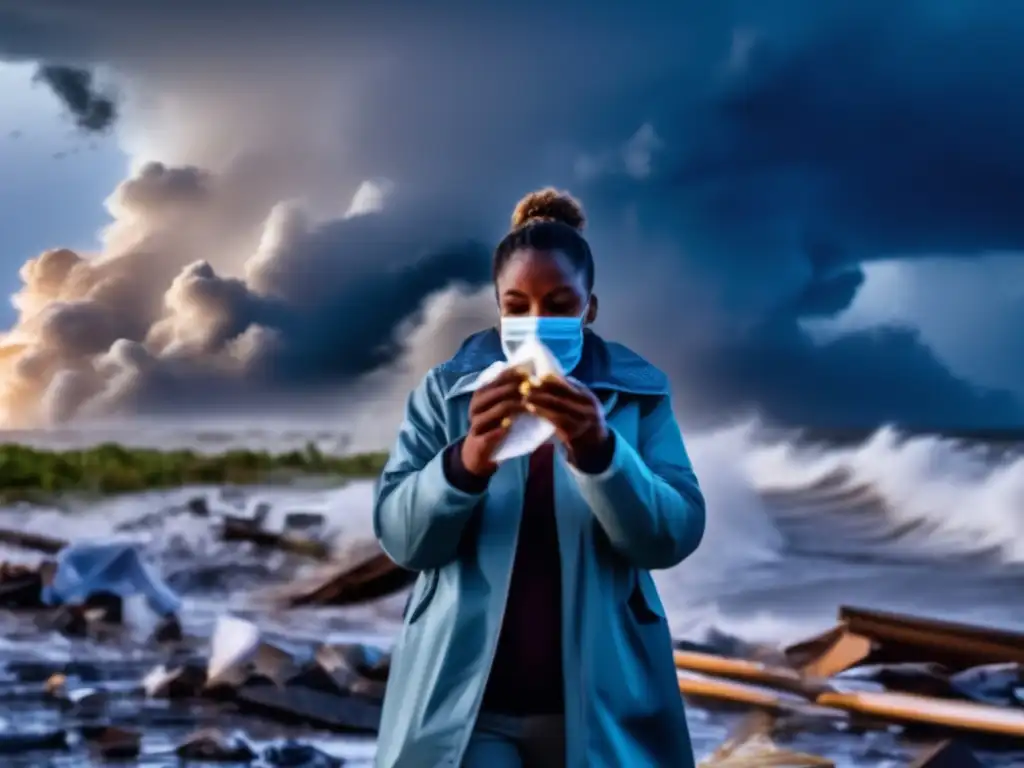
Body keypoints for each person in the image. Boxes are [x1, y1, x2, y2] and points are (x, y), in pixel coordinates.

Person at [373, 188, 706, 768]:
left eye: (558, 304)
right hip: (467, 710)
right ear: (498, 308)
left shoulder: (639, 394)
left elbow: (670, 536)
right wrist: (469, 458)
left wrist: (601, 451)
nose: (536, 322)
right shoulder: (445, 393)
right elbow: (403, 540)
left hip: (599, 704)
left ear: (590, 308)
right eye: (518, 306)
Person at [39, 541, 184, 641]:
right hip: (117, 564)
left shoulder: (67, 571)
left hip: (121, 558)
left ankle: (169, 621)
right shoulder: (67, 570)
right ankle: (169, 620)